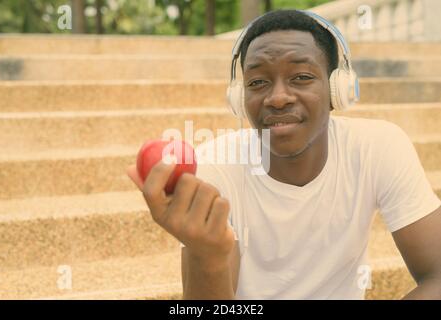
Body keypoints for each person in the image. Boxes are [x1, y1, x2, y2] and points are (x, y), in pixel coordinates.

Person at [127, 9, 441, 299]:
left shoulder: (379, 146)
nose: (277, 98)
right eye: (258, 81)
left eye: (301, 77)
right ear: (239, 98)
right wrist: (207, 257)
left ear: (337, 91)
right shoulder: (214, 169)